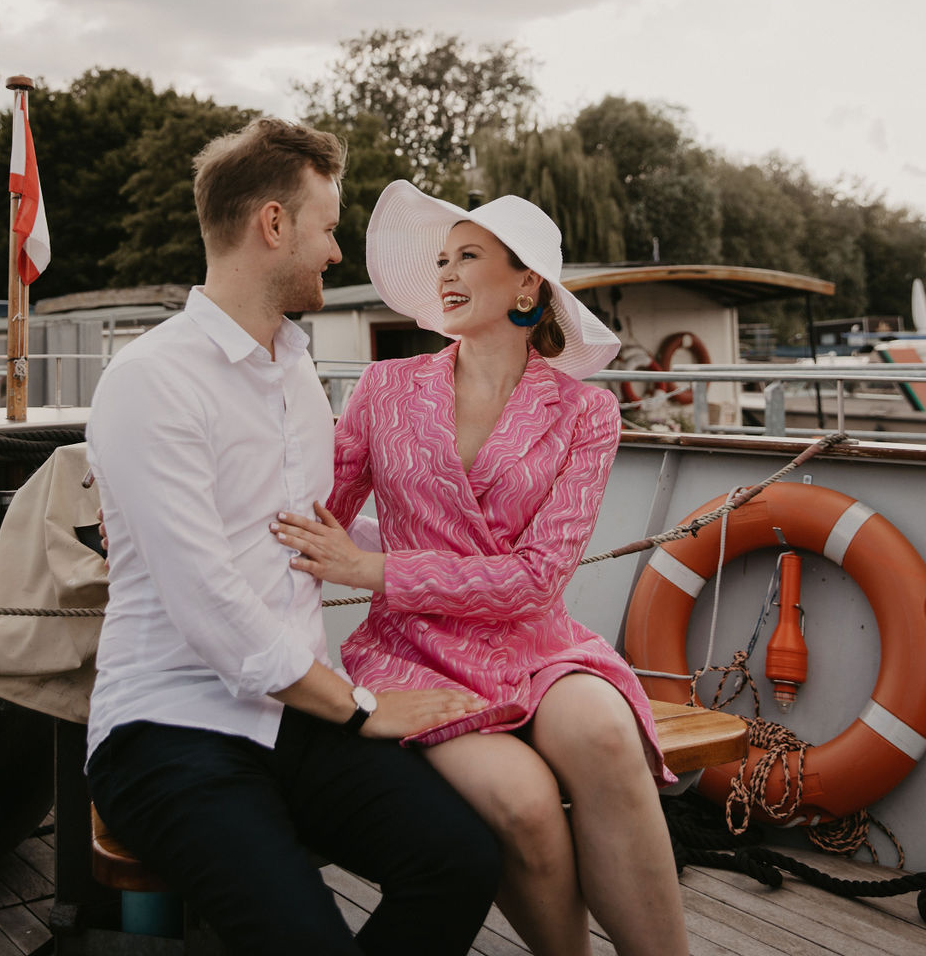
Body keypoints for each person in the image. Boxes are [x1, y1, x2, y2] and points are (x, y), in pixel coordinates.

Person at [85, 123, 501, 956]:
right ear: (273, 225)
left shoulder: (296, 372)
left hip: (292, 716)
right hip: (170, 727)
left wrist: (467, 560)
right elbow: (209, 606)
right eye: (327, 225)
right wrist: (359, 709)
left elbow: (319, 528)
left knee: (462, 861)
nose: (336, 251)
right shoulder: (149, 382)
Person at [272, 181, 690, 956]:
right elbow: (314, 504)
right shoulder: (385, 388)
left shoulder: (586, 414)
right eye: (441, 260)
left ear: (527, 282)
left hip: (534, 644)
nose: (447, 276)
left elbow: (537, 579)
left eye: (469, 257)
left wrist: (373, 568)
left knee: (605, 734)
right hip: (414, 653)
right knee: (525, 802)